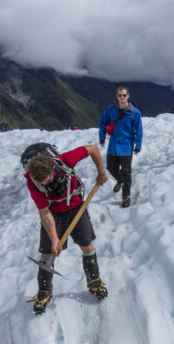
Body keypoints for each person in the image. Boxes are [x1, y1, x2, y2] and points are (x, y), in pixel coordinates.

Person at [25, 145, 109, 314]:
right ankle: (44, 290)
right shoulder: (32, 181)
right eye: (42, 183)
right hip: (54, 213)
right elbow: (44, 212)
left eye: (48, 181)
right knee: (48, 253)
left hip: (77, 207)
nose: (46, 185)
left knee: (87, 246)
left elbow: (92, 149)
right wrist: (55, 239)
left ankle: (94, 280)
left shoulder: (64, 160)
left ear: (52, 170)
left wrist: (101, 173)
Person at [99, 86, 143, 208]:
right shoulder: (110, 109)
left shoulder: (135, 112)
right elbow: (103, 122)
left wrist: (138, 145)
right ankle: (120, 180)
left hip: (126, 146)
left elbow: (138, 130)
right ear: (117, 96)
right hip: (113, 145)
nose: (122, 98)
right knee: (111, 167)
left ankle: (126, 196)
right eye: (119, 95)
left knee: (126, 172)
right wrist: (102, 138)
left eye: (124, 95)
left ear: (128, 96)